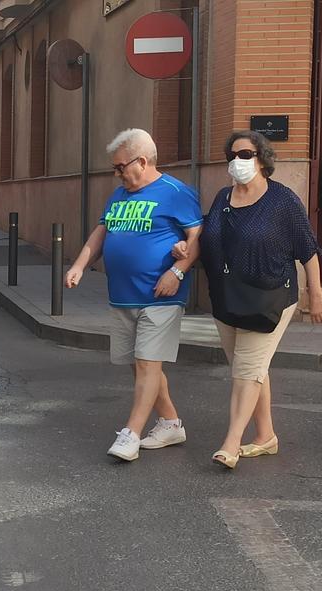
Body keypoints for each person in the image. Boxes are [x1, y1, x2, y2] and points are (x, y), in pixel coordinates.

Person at [65, 129, 203, 462]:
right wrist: (80, 266)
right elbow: (100, 234)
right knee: (139, 365)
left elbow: (197, 236)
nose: (117, 173)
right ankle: (170, 422)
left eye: (120, 167)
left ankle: (132, 433)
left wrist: (178, 271)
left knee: (146, 363)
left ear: (142, 161)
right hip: (123, 296)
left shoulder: (175, 192)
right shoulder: (119, 195)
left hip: (161, 294)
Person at [197, 130, 322, 469]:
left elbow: (307, 250)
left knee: (246, 372)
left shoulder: (281, 201)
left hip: (269, 297)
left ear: (262, 159)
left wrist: (315, 293)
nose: (237, 161)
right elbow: (209, 237)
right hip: (226, 298)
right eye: (233, 155)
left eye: (245, 154)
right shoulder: (223, 198)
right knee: (252, 371)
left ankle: (231, 442)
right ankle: (265, 435)